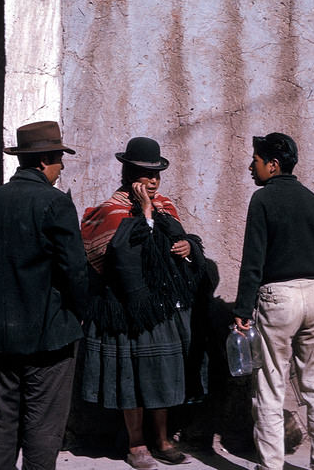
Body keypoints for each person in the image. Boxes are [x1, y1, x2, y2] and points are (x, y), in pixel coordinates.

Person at [0, 120, 88, 470]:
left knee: (6, 413)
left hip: (4, 330)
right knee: (43, 419)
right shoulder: (55, 203)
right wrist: (79, 311)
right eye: (59, 158)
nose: (62, 166)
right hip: (50, 330)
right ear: (45, 159)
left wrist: (5, 288)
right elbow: (74, 269)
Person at [80, 137, 207, 469]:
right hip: (124, 311)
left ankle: (163, 439)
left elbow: (175, 242)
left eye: (157, 175)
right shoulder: (111, 211)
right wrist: (146, 214)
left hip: (159, 311)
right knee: (131, 377)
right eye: (145, 174)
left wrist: (187, 248)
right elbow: (125, 256)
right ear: (129, 175)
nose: (152, 182)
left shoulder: (166, 206)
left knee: (159, 374)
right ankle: (136, 443)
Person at [232, 132, 314, 470]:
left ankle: (271, 464)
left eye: (256, 161)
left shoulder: (262, 200)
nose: (251, 167)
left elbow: (253, 261)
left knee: (270, 387)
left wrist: (242, 310)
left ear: (273, 166)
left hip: (279, 300)